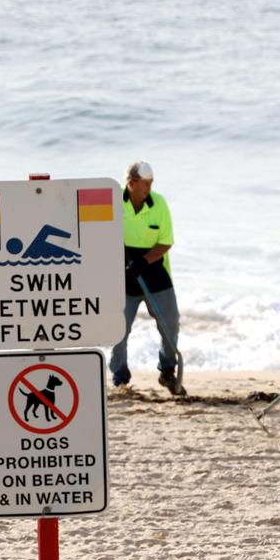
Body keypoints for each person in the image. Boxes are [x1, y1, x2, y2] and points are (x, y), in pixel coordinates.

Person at [109, 161, 185, 396]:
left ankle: (167, 371)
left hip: (154, 271)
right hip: (123, 273)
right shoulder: (113, 203)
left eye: (151, 184)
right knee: (118, 329)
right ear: (131, 183)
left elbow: (166, 241)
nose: (149, 188)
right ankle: (120, 377)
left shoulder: (159, 203)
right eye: (145, 184)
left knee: (170, 322)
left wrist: (143, 261)